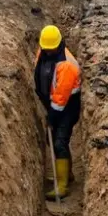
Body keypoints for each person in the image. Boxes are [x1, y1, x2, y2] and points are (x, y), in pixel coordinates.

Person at [33, 25, 82, 200]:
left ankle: (62, 185)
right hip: (53, 104)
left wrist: (51, 118)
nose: (46, 51)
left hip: (67, 107)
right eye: (45, 48)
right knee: (53, 140)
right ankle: (65, 173)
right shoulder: (44, 52)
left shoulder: (67, 66)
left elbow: (61, 99)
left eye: (49, 49)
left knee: (59, 141)